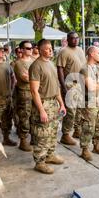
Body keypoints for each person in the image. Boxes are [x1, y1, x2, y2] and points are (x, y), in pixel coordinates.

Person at [29, 39, 66, 174]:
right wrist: (41, 110)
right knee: (42, 134)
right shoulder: (36, 66)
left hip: (53, 103)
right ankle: (40, 162)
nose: (51, 50)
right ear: (40, 50)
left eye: (51, 48)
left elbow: (56, 88)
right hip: (43, 103)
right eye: (48, 48)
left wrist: (61, 104)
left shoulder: (51, 64)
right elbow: (34, 91)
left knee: (52, 132)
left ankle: (50, 155)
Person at [56, 32, 86, 145]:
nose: (75, 40)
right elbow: (60, 70)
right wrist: (63, 87)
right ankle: (65, 134)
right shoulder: (64, 51)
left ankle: (77, 130)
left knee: (79, 110)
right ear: (68, 39)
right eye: (72, 38)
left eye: (77, 38)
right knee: (70, 111)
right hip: (69, 85)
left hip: (80, 84)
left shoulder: (80, 50)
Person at [79, 46, 99, 160]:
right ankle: (85, 149)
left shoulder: (98, 68)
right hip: (89, 102)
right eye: (98, 53)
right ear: (91, 54)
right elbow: (91, 88)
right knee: (88, 126)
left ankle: (96, 145)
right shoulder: (84, 69)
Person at [13, 41, 35, 151]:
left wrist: (32, 77)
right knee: (24, 117)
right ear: (21, 50)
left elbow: (39, 76)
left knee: (33, 116)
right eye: (27, 48)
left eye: (31, 48)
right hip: (24, 93)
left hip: (34, 92)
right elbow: (25, 79)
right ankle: (23, 140)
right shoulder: (19, 63)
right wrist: (34, 78)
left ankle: (33, 138)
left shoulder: (34, 61)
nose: (30, 50)